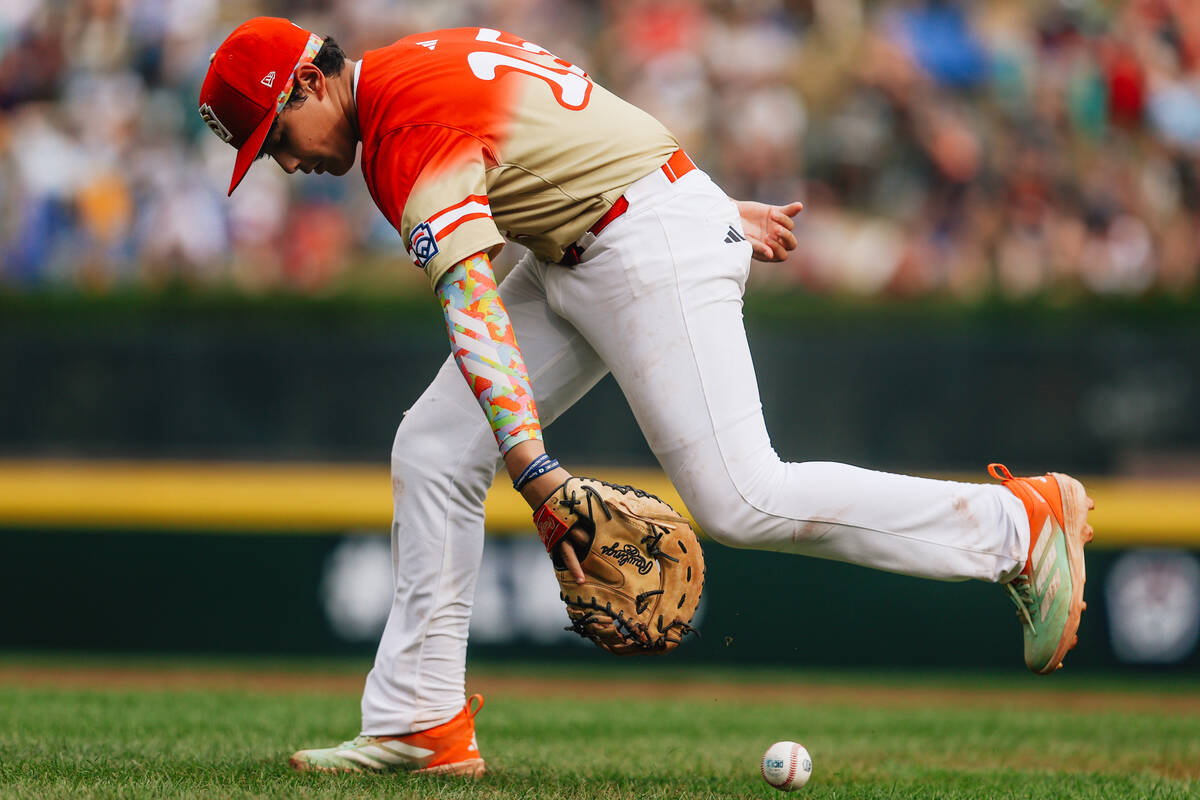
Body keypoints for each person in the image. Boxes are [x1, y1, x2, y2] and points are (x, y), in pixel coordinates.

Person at [198, 18, 1094, 778]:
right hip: (604, 234)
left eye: (274, 137)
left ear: (310, 81)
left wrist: (537, 472)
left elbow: (473, 311)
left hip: (636, 244)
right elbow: (573, 124)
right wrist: (700, 201)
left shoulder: (401, 127)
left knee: (742, 498)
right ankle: (418, 719)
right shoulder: (417, 64)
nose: (279, 163)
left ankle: (1018, 527)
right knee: (433, 450)